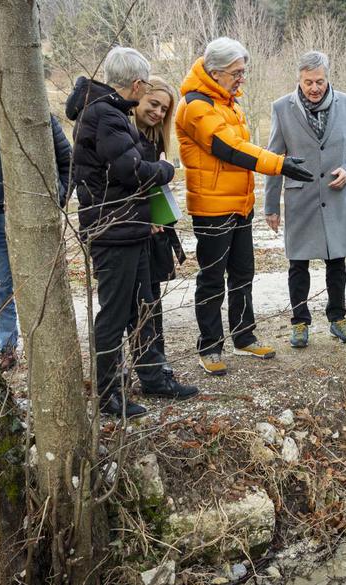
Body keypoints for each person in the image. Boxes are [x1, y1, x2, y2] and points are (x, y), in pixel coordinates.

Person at [66, 46, 198, 418]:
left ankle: (153, 376)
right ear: (137, 84)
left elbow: (136, 158)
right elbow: (132, 169)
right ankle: (108, 394)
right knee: (114, 313)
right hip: (113, 231)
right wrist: (166, 171)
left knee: (144, 306)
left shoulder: (112, 112)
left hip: (131, 227)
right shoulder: (103, 114)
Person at [176, 37, 314, 376]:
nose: (242, 78)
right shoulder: (195, 106)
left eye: (243, 72)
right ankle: (209, 347)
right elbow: (229, 147)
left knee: (242, 273)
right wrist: (278, 164)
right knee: (211, 279)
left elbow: (241, 147)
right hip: (212, 207)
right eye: (237, 73)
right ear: (216, 72)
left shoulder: (228, 103)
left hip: (239, 203)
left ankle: (243, 335)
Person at [0, 69, 73, 370]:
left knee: (41, 285)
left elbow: (68, 160)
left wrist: (58, 197)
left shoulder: (35, 117)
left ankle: (49, 351)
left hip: (32, 218)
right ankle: (5, 347)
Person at [264, 51, 346, 349]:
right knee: (298, 264)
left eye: (319, 81)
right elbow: (273, 158)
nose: (314, 88)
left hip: (335, 194)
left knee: (337, 262)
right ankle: (300, 322)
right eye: (308, 82)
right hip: (299, 198)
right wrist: (270, 206)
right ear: (299, 80)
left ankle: (337, 317)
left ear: (327, 78)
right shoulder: (282, 108)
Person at [133, 75, 186, 370]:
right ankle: (145, 363)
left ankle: (157, 360)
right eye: (154, 104)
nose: (158, 113)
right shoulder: (126, 137)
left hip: (157, 230)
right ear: (138, 95)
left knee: (153, 299)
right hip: (133, 228)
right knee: (136, 301)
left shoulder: (156, 140)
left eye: (164, 109)